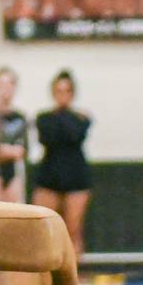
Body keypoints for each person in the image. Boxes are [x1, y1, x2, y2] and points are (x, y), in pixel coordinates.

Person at [33, 70, 92, 261]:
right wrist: (63, 115)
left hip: (76, 177)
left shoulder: (82, 118)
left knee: (73, 230)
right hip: (50, 176)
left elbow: (75, 135)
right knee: (42, 230)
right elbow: (47, 137)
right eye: (58, 91)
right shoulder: (43, 118)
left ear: (72, 93)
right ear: (53, 92)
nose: (62, 95)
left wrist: (66, 114)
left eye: (66, 91)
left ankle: (73, 281)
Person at [0, 67, 29, 204]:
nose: (6, 88)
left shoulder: (20, 117)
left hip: (12, 172)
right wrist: (6, 150)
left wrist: (3, 150)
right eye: (2, 84)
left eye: (10, 84)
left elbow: (23, 150)